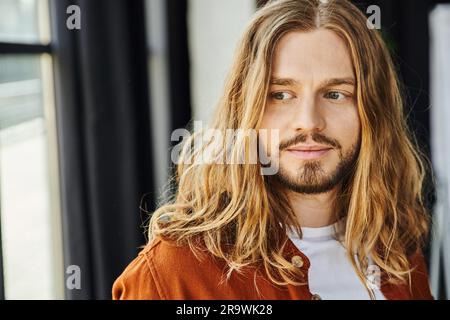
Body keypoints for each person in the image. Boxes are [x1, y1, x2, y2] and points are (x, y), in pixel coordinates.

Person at [113, 0, 433, 300]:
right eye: (280, 95)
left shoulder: (396, 252)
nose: (308, 122)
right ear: (245, 110)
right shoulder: (173, 274)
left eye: (335, 94)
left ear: (373, 114)